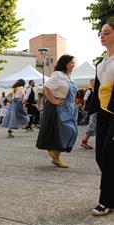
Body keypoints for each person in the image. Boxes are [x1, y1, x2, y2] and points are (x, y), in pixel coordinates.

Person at [89, 20, 114, 216]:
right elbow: (98, 89)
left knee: (108, 156)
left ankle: (105, 201)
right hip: (104, 113)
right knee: (100, 156)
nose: (102, 35)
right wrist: (94, 110)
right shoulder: (101, 62)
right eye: (101, 33)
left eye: (106, 32)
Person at [36, 54, 78, 168]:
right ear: (65, 63)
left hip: (69, 107)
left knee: (71, 131)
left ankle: (55, 155)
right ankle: (56, 156)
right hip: (60, 107)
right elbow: (46, 87)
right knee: (64, 130)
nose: (73, 65)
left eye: (74, 63)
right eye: (71, 63)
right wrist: (53, 100)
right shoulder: (58, 75)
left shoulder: (68, 76)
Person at [80, 79, 96, 149]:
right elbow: (85, 99)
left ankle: (85, 141)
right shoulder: (89, 90)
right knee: (92, 124)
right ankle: (84, 141)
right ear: (90, 83)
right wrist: (84, 106)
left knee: (93, 125)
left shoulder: (95, 90)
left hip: (94, 110)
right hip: (91, 109)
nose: (93, 84)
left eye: (94, 83)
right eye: (92, 83)